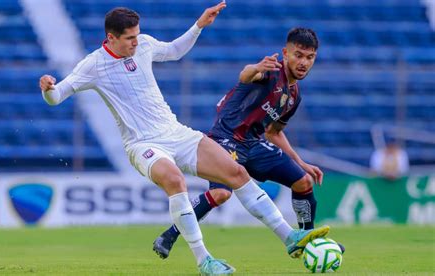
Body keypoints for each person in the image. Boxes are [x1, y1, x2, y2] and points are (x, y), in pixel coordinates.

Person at [39, 3, 329, 275]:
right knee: (175, 180)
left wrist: (199, 25)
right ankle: (204, 260)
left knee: (237, 173)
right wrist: (48, 88)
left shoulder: (144, 46)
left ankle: (289, 237)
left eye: (137, 36)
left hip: (176, 132)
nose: (136, 42)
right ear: (111, 38)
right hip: (143, 144)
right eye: (129, 38)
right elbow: (58, 96)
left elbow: (175, 51)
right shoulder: (93, 65)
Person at [153, 27, 343, 259]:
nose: (303, 62)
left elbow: (274, 132)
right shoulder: (271, 71)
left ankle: (307, 241)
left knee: (303, 182)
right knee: (222, 194)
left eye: (309, 57)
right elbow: (246, 74)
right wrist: (256, 67)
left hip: (253, 144)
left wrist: (300, 162)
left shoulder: (294, 95)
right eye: (298, 55)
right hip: (225, 140)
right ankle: (169, 234)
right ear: (285, 53)